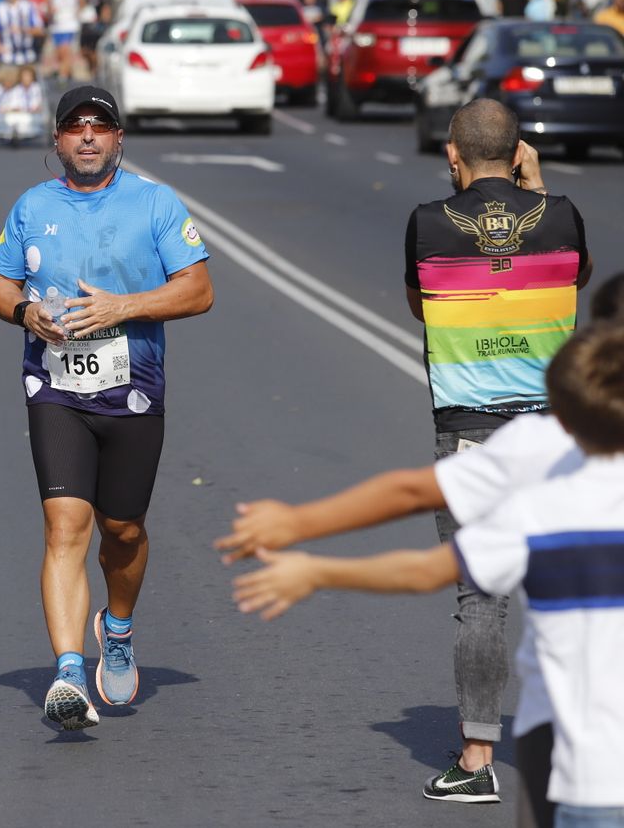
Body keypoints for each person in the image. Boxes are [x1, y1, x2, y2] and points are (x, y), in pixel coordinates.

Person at [219, 272, 624, 826]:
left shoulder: (540, 500)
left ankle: (476, 756)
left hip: (578, 769)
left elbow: (421, 562)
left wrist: (313, 566)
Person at [0, 84, 214, 730]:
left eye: (100, 126)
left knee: (123, 531)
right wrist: (25, 313)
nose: (87, 136)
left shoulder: (155, 203)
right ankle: (67, 672)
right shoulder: (32, 206)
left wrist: (124, 306)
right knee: (64, 527)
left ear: (118, 138)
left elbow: (198, 290)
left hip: (133, 391)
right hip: (54, 389)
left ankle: (117, 626)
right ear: (57, 140)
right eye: (75, 126)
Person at [405, 98, 590, 800]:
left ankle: (477, 760)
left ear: (452, 154)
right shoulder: (563, 216)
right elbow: (574, 277)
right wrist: (535, 187)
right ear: (519, 154)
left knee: (481, 600)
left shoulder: (427, 224)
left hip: (471, 437)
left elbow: (423, 308)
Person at [47, 0, 82, 85]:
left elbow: (82, 3)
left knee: (65, 50)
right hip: (57, 26)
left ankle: (63, 77)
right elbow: (48, 7)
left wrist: (77, 12)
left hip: (69, 26)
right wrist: (51, 10)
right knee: (59, 53)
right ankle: (65, 72)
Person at [78, 0, 108, 79]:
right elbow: (80, 9)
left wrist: (103, 21)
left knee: (94, 50)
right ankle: (91, 65)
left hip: (95, 27)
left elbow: (105, 11)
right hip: (85, 27)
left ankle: (95, 69)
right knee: (84, 51)